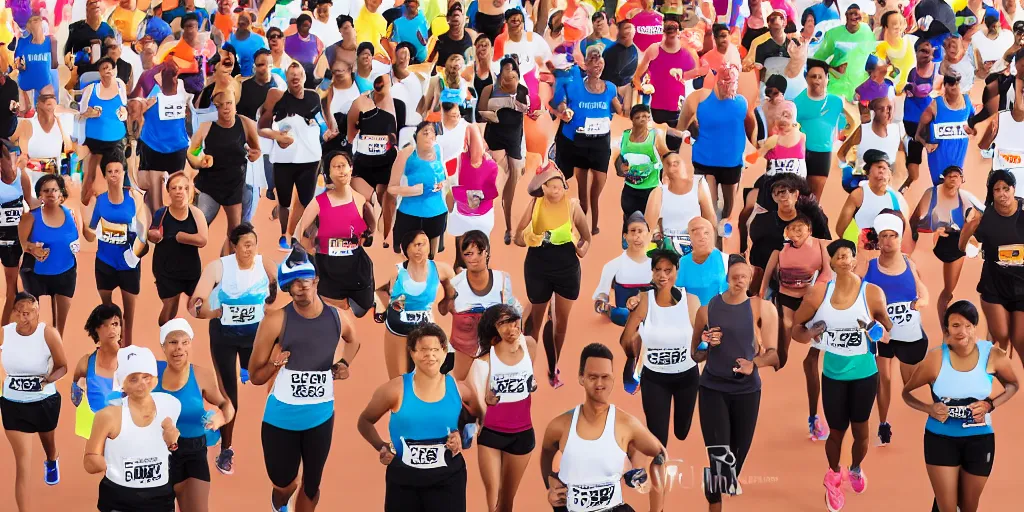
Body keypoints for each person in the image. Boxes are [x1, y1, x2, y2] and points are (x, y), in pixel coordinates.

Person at [248, 245, 359, 512]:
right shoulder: (276, 321)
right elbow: (254, 375)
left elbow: (353, 341)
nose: (300, 287)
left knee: (311, 485)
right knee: (286, 484)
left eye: (304, 280)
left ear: (316, 280)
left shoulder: (338, 317)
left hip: (320, 416)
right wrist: (276, 364)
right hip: (281, 418)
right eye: (292, 283)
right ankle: (279, 504)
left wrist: (344, 363)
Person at [792, 239, 893, 512]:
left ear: (855, 259)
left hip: (864, 373)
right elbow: (796, 329)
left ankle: (856, 469)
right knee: (836, 432)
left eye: (848, 255)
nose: (844, 260)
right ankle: (834, 476)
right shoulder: (818, 294)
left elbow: (887, 331)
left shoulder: (871, 293)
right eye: (838, 257)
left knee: (861, 431)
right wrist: (810, 333)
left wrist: (875, 330)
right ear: (833, 263)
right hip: (833, 374)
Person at [901, 300, 1018, 512]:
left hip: (980, 439)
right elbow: (906, 393)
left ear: (975, 327)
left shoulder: (993, 355)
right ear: (947, 330)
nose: (962, 331)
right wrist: (929, 409)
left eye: (967, 325)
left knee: (968, 507)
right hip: (941, 438)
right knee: (947, 507)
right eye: (955, 326)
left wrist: (991, 404)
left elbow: (1013, 385)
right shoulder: (935, 358)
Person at [357, 323, 480, 512]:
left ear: (444, 352)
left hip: (448, 478)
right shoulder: (394, 390)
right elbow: (365, 422)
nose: (430, 356)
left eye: (435, 350)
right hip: (404, 480)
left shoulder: (459, 389)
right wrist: (381, 446)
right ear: (412, 353)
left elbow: (475, 417)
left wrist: (461, 437)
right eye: (423, 350)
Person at [691, 254, 780, 510]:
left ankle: (716, 479)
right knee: (719, 456)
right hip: (712, 388)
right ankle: (714, 499)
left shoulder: (763, 308)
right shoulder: (707, 309)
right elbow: (695, 353)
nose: (739, 282)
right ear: (726, 279)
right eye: (734, 277)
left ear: (751, 279)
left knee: (734, 462)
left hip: (747, 391)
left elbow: (774, 354)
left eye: (744, 277)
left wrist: (755, 364)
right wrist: (705, 343)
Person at [189, 222, 276, 475]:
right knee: (230, 397)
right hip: (224, 339)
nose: (250, 249)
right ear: (234, 246)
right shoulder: (219, 268)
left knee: (270, 375)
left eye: (253, 244)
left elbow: (279, 291)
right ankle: (226, 449)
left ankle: (286, 429)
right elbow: (196, 303)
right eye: (245, 244)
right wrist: (208, 310)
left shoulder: (266, 265)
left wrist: (270, 303)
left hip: (255, 340)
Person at [539, 342, 668, 512]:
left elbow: (660, 455)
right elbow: (547, 451)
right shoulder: (559, 426)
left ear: (613, 379)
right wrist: (551, 483)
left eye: (605, 376)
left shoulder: (627, 424)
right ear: (581, 378)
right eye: (593, 377)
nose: (600, 384)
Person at [620, 248, 700, 512]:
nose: (663, 275)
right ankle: (658, 507)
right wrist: (634, 356)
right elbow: (625, 338)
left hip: (688, 377)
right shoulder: (644, 301)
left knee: (682, 431)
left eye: (668, 270)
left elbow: (702, 339)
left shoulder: (691, 301)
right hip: (655, 379)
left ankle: (633, 447)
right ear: (652, 273)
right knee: (659, 445)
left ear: (677, 271)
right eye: (658, 270)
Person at [515, 162, 591, 388]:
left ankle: (553, 365)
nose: (556, 190)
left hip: (567, 270)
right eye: (551, 185)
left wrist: (580, 250)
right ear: (543, 188)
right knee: (535, 323)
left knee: (561, 323)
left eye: (560, 186)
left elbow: (586, 238)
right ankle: (527, 371)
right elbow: (518, 236)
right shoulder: (535, 204)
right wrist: (530, 238)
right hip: (538, 268)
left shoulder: (573, 206)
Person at [860, 211, 929, 447]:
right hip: (882, 335)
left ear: (900, 239)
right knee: (884, 378)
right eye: (884, 236)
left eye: (893, 236)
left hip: (908, 332)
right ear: (878, 240)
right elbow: (859, 298)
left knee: (910, 381)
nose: (888, 241)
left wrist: (922, 302)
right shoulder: (868, 267)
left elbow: (923, 290)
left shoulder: (910, 263)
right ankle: (883, 422)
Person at [84, 346, 180, 512]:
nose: (142, 383)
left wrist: (173, 442)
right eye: (133, 379)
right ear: (123, 384)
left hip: (160, 498)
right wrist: (107, 465)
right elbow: (89, 461)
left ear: (155, 379)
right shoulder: (108, 416)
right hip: (119, 499)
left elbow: (170, 444)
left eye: (146, 377)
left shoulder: (171, 405)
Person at [154, 318, 235, 511]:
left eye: (185, 342)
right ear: (163, 346)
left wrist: (220, 418)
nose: (179, 348)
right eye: (173, 342)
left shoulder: (202, 375)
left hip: (193, 452)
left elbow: (227, 405)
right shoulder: (151, 374)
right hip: (156, 454)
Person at [466, 304, 536, 512]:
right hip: (492, 435)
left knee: (506, 503)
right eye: (502, 323)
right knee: (494, 500)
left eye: (513, 321)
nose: (510, 327)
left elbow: (530, 379)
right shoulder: (483, 362)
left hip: (523, 434)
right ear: (492, 329)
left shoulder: (528, 346)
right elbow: (477, 404)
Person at [1, 292, 67, 509]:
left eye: (28, 312)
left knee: (47, 441)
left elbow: (62, 365)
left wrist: (48, 380)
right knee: (22, 464)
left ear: (37, 311)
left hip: (43, 401)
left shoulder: (48, 333)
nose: (24, 318)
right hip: (13, 403)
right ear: (13, 313)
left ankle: (51, 459)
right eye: (19, 313)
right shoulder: (4, 334)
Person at [294, 151, 377, 316]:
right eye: (335, 167)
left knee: (362, 309)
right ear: (328, 174)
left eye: (343, 165)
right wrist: (305, 249)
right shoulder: (319, 202)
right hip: (328, 269)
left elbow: (370, 231)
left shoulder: (360, 200)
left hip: (357, 268)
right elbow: (299, 230)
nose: (340, 170)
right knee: (330, 316)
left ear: (351, 169)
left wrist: (366, 235)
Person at [81, 152, 149, 347]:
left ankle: (128, 350)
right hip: (105, 262)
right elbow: (90, 234)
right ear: (105, 175)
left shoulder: (134, 198)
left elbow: (142, 233)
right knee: (107, 312)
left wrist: (136, 253)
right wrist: (84, 220)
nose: (113, 174)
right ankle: (109, 347)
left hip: (129, 264)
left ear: (123, 173)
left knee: (129, 315)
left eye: (117, 171)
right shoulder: (100, 201)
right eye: (109, 171)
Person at [259, 62, 330, 250]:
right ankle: (284, 233)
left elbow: (320, 121)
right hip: (284, 160)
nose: (296, 78)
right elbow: (261, 128)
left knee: (307, 201)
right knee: (283, 201)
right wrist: (277, 136)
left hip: (310, 159)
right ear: (287, 79)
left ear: (304, 78)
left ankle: (299, 234)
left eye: (299, 75)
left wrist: (326, 132)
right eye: (292, 75)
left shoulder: (314, 97)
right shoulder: (277, 98)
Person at [552, 45, 622, 235]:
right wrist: (564, 110)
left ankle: (594, 209)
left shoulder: (610, 88)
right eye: (592, 60)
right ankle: (584, 223)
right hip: (579, 141)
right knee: (581, 185)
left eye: (599, 60)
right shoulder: (574, 84)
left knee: (599, 179)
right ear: (585, 64)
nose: (597, 64)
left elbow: (620, 108)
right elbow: (562, 102)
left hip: (601, 142)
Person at [679, 62, 752, 232]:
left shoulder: (742, 103)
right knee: (709, 210)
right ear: (717, 80)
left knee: (728, 210)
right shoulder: (698, 99)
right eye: (725, 81)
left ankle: (721, 239)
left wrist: (757, 149)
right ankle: (711, 246)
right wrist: (689, 134)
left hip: (732, 163)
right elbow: (680, 127)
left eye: (733, 82)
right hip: (705, 161)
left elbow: (752, 128)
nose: (729, 86)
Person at [958, 170, 1024, 356]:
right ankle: (994, 370)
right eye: (997, 190)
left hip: (1021, 286)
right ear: (992, 193)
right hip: (994, 284)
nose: (1002, 194)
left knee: (1020, 340)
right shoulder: (984, 217)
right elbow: (964, 247)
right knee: (1002, 337)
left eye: (1006, 188)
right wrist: (968, 230)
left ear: (1014, 189)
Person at [188, 90, 261, 256]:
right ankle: (185, 267)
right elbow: (193, 152)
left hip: (234, 186)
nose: (226, 109)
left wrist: (253, 153)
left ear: (235, 104)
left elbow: (256, 149)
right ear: (216, 108)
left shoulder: (245, 124)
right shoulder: (206, 127)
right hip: (210, 186)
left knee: (234, 233)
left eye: (229, 104)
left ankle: (225, 269)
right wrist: (200, 161)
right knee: (197, 228)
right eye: (221, 106)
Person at [376, 230, 457, 379]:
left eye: (423, 244)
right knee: (399, 380)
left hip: (426, 330)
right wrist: (385, 308)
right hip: (398, 329)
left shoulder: (441, 270)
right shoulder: (396, 271)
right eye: (415, 245)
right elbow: (378, 290)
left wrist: (446, 303)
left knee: (428, 375)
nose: (419, 249)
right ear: (406, 249)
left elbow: (453, 292)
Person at [909, 166, 984, 324]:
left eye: (957, 176)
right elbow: (916, 217)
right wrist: (913, 238)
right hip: (934, 241)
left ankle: (944, 320)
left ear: (962, 180)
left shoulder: (965, 197)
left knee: (948, 291)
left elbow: (984, 214)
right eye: (950, 175)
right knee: (921, 285)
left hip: (955, 245)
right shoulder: (932, 193)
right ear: (944, 177)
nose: (953, 179)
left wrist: (972, 232)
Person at [758, 213, 833, 369]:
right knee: (785, 327)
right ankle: (780, 360)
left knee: (804, 328)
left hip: (810, 297)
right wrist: (761, 293)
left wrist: (815, 292)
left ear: (810, 231)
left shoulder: (820, 245)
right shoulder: (780, 249)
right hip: (787, 295)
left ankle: (814, 351)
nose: (795, 231)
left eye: (800, 228)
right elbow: (767, 274)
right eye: (791, 228)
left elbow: (827, 273)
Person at [447, 231, 521, 380]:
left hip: (495, 350)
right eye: (468, 253)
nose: (474, 258)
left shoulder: (503, 280)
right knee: (461, 387)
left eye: (479, 252)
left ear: (487, 252)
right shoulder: (455, 283)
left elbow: (513, 313)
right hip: (464, 350)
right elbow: (447, 309)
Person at [18, 174, 80, 336]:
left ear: (61, 193)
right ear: (40, 195)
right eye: (46, 191)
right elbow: (22, 244)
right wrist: (32, 248)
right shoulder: (30, 217)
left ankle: (56, 354)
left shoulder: (72, 215)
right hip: (36, 276)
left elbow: (81, 237)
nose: (51, 193)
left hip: (66, 272)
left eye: (55, 190)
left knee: (59, 329)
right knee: (32, 322)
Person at [478, 56, 529, 244]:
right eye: (505, 69)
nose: (509, 73)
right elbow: (481, 112)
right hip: (495, 140)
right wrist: (493, 116)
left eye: (512, 70)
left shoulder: (522, 91)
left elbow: (526, 110)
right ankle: (482, 221)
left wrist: (512, 99)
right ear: (499, 73)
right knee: (495, 182)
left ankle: (509, 226)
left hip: (515, 142)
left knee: (512, 188)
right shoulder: (489, 90)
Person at [348, 74, 404, 248]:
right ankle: (369, 231)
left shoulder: (399, 105)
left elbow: (398, 139)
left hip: (385, 165)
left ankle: (387, 237)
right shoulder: (359, 103)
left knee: (387, 200)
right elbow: (350, 136)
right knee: (363, 200)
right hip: (362, 165)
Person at [149, 172, 209, 326]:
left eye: (182, 188)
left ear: (188, 191)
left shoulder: (196, 214)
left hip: (190, 269)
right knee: (170, 307)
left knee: (198, 306)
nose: (178, 191)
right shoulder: (161, 213)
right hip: (166, 268)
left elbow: (203, 240)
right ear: (168, 191)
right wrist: (153, 235)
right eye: (174, 188)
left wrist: (181, 237)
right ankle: (165, 337)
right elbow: (152, 232)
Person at [794, 58, 857, 200]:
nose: (816, 80)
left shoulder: (836, 102)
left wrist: (844, 139)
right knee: (797, 196)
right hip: (800, 153)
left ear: (827, 79)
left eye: (820, 77)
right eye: (812, 76)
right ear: (806, 79)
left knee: (814, 199)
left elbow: (852, 123)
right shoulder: (796, 103)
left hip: (822, 153)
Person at [135, 62, 189, 214]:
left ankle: (171, 222)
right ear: (159, 79)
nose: (173, 81)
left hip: (176, 148)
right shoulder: (151, 97)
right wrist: (142, 109)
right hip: (154, 148)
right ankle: (154, 224)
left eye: (175, 78)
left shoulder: (183, 94)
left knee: (176, 192)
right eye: (169, 77)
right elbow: (134, 118)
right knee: (155, 199)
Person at [388, 122, 449, 257]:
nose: (429, 136)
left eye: (432, 133)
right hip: (410, 214)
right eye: (425, 132)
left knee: (431, 257)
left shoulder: (438, 150)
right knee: (408, 256)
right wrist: (413, 190)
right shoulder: (406, 154)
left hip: (437, 212)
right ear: (416, 136)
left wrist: (443, 183)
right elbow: (391, 188)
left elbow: (443, 175)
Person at [836, 150, 911, 258]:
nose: (881, 172)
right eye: (878, 167)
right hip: (861, 255)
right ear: (867, 173)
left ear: (890, 173)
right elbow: (840, 229)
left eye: (885, 168)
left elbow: (906, 233)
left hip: (887, 257)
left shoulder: (897, 199)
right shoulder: (858, 196)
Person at [644, 152, 716, 256]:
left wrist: (711, 246)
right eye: (668, 164)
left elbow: (710, 218)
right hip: (668, 247)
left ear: (684, 165)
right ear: (664, 171)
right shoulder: (659, 192)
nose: (672, 164)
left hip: (695, 242)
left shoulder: (699, 183)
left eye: (676, 162)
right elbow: (648, 227)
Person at [79, 57, 129, 206]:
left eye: (109, 68)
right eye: (103, 68)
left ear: (114, 70)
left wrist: (124, 114)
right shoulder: (91, 89)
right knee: (90, 174)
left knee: (118, 174)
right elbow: (81, 111)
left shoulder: (121, 86)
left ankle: (118, 204)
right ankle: (85, 204)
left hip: (115, 140)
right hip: (94, 140)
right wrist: (91, 113)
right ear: (99, 72)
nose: (107, 71)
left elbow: (125, 107)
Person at [616, 104, 672, 233]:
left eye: (646, 116)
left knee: (650, 224)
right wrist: (620, 167)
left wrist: (669, 171)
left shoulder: (655, 136)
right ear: (632, 120)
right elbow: (617, 159)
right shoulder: (624, 137)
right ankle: (627, 238)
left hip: (651, 189)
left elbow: (666, 154)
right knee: (630, 219)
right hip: (630, 188)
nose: (642, 119)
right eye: (638, 117)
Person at [915, 71, 976, 187]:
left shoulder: (968, 102)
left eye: (957, 83)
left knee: (955, 186)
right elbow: (918, 135)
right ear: (945, 86)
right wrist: (926, 144)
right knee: (940, 187)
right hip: (939, 155)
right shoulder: (936, 105)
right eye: (951, 84)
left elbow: (975, 123)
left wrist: (972, 130)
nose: (955, 87)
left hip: (959, 153)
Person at [71, 304, 123, 440]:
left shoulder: (131, 359)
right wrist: (78, 388)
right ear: (96, 329)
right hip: (95, 432)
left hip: (124, 431)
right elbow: (75, 400)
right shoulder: (86, 362)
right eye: (105, 325)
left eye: (115, 324)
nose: (111, 328)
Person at [594, 212, 654, 326]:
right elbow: (602, 292)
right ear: (625, 236)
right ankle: (609, 310)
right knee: (620, 315)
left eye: (641, 231)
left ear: (648, 235)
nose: (637, 236)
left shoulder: (656, 263)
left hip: (648, 304)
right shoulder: (613, 265)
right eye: (633, 231)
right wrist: (603, 298)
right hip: (624, 307)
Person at [836, 97, 906, 193]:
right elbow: (841, 154)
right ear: (874, 112)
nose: (887, 112)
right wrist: (846, 168)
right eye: (881, 109)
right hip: (860, 180)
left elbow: (902, 163)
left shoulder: (896, 130)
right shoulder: (863, 131)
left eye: (889, 108)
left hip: (885, 181)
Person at [12, 87, 69, 192]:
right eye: (47, 103)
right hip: (31, 177)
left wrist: (60, 123)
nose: (51, 107)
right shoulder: (27, 124)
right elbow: (9, 142)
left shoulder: (61, 123)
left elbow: (69, 147)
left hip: (54, 178)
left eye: (53, 101)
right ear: (38, 105)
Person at [901, 39, 938, 193]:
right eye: (923, 50)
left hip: (928, 110)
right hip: (912, 114)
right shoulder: (910, 70)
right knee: (914, 173)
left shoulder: (937, 69)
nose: (926, 54)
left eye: (929, 50)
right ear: (916, 53)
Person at [0, 143, 31, 323]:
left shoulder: (20, 176)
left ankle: (4, 336)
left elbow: (31, 203)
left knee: (11, 291)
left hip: (12, 239)